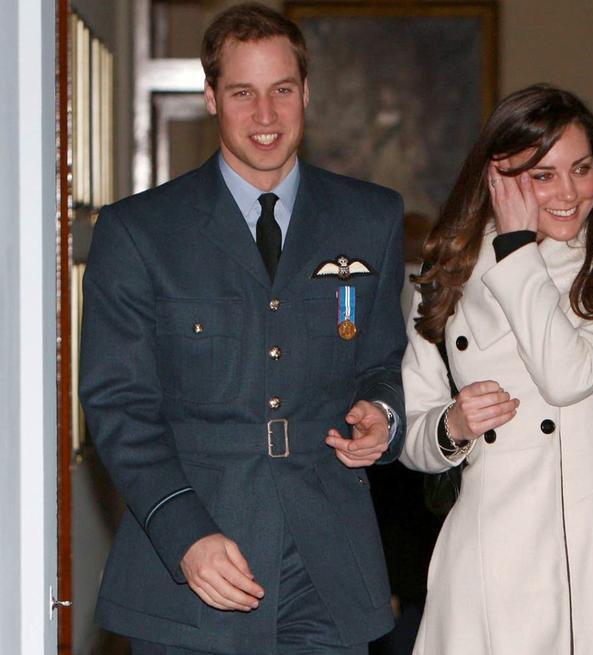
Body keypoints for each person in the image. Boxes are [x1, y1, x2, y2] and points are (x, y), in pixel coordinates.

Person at [79, 4, 406, 654]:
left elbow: (383, 361)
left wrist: (383, 414)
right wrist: (184, 533)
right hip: (195, 566)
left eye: (281, 90)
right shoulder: (140, 232)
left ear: (306, 93)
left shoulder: (371, 218)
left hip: (328, 566)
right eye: (242, 93)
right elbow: (119, 405)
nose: (265, 115)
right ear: (211, 98)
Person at [399, 85, 593, 654]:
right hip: (486, 544)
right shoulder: (447, 270)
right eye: (543, 175)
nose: (569, 193)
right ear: (499, 178)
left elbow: (565, 375)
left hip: (587, 542)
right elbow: (413, 432)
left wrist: (515, 248)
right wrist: (451, 427)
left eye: (581, 169)